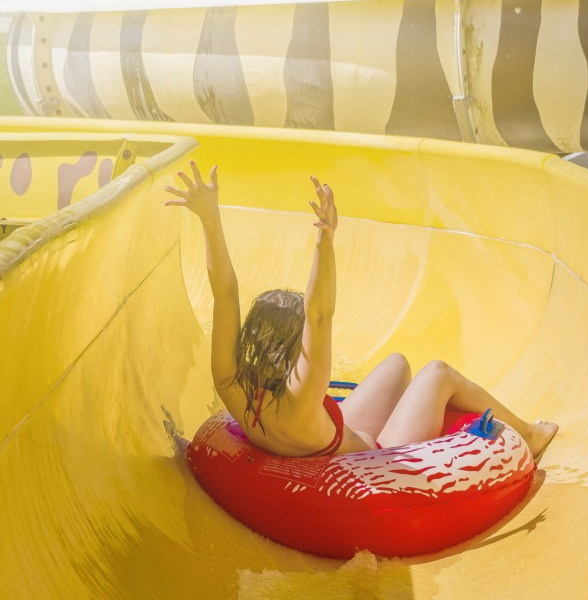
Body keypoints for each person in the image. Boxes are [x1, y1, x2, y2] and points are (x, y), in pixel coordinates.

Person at [166, 162, 558, 462]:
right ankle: (530, 434)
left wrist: (209, 217)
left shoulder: (231, 383)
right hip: (372, 458)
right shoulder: (302, 393)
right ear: (292, 347)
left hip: (330, 439)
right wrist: (325, 239)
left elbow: (225, 294)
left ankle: (428, 413)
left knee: (398, 364)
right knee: (438, 373)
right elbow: (319, 314)